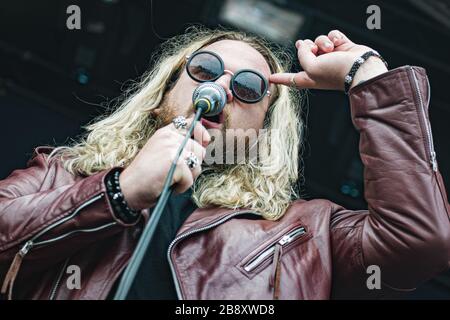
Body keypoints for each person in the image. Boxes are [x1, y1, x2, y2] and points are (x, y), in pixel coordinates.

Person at [0, 27, 449, 300]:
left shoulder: (305, 234)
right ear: (164, 94)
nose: (224, 87)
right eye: (206, 68)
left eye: (251, 87)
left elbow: (418, 241)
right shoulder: (63, 173)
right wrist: (118, 191)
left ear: (263, 131)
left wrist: (369, 78)